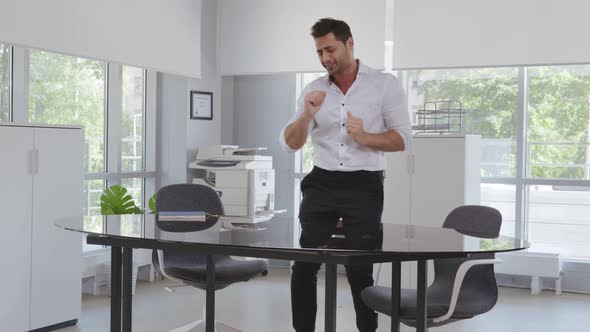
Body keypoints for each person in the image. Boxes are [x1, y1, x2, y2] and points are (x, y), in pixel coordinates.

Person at [279, 18, 412, 332]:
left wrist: (365, 137)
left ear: (349, 43)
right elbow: (290, 144)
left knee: (360, 269)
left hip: (364, 184)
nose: (325, 58)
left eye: (330, 49)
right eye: (320, 52)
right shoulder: (313, 90)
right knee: (304, 265)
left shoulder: (384, 84)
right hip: (321, 182)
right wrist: (306, 115)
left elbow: (403, 138)